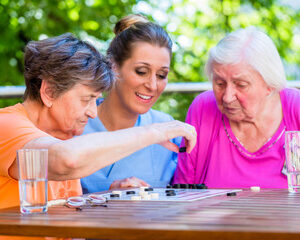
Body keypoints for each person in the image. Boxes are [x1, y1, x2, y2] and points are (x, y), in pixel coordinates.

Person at [0, 33, 197, 213]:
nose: (93, 112)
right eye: (87, 99)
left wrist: (109, 195)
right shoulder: (6, 124)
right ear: (49, 92)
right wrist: (153, 133)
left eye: (96, 100)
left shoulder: (62, 136)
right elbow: (66, 159)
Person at [173, 26, 300, 188]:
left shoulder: (295, 107)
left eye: (241, 85)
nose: (226, 97)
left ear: (270, 85)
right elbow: (183, 190)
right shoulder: (203, 108)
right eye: (219, 83)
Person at [80, 14, 180, 193]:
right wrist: (107, 191)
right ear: (113, 66)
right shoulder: (75, 124)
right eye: (141, 71)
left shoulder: (168, 131)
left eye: (161, 75)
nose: (152, 85)